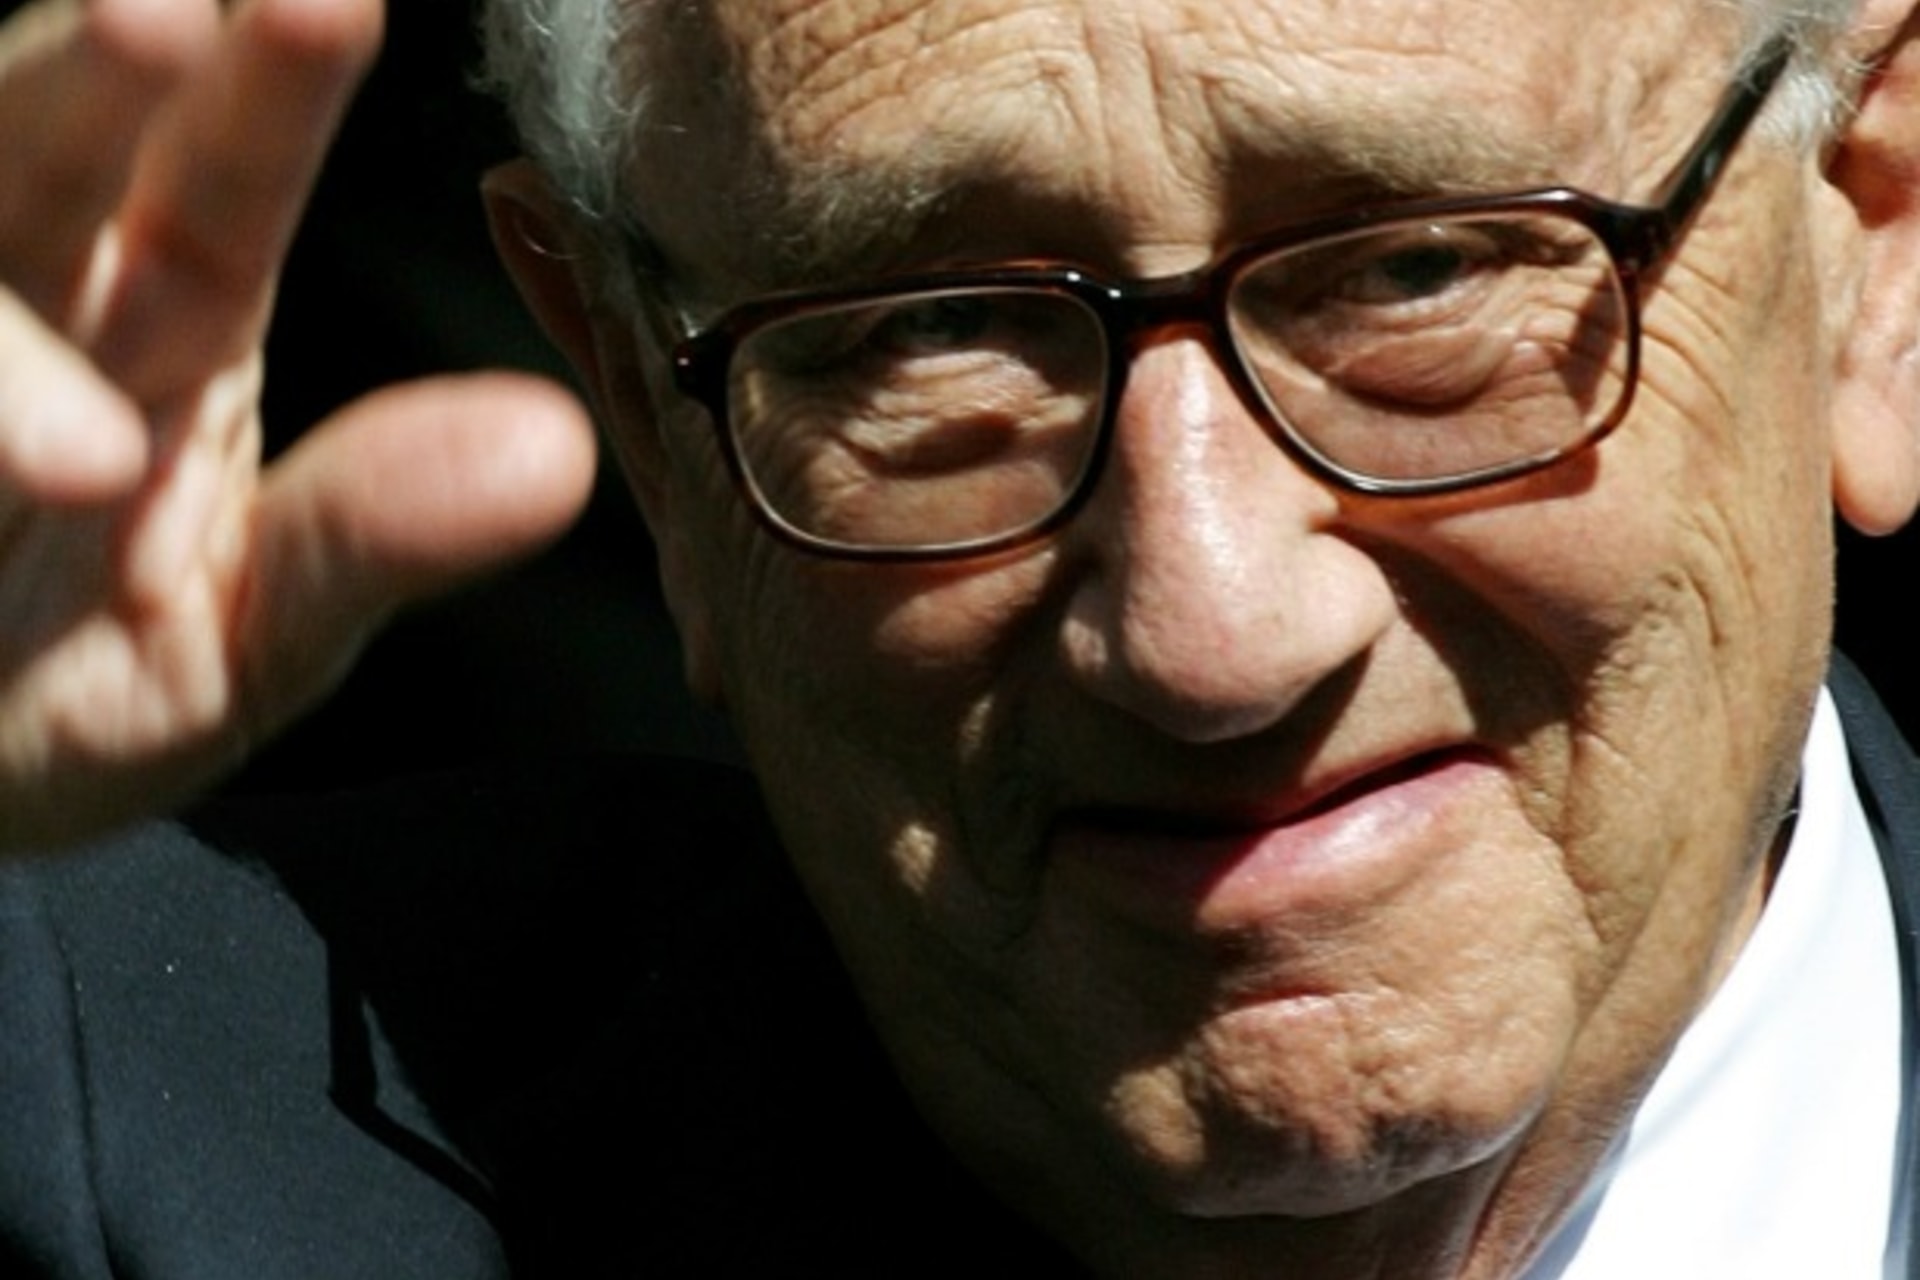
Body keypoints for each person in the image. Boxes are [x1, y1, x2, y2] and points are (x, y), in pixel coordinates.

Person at [2, 0, 1919, 1276]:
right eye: (928, 327)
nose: (1211, 630)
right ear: (641, 410)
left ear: (1871, 229)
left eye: (1414, 268)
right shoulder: (132, 1148)